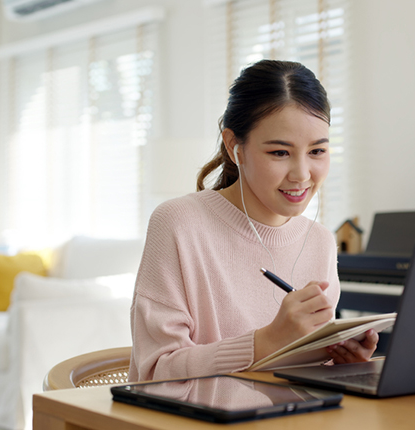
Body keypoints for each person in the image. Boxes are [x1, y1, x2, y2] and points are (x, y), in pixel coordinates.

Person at [128, 59, 378, 382]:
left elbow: (294, 382)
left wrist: (341, 364)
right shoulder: (178, 223)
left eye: (317, 152)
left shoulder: (320, 242)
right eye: (279, 153)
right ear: (235, 147)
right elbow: (154, 372)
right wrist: (266, 342)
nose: (302, 175)